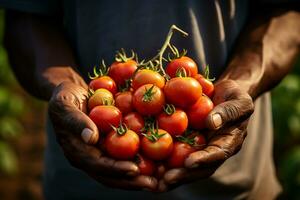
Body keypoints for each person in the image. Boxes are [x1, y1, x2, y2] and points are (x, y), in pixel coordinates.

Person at [1, 0, 300, 199]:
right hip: (82, 184)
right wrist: (63, 84)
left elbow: (286, 12)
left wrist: (244, 82)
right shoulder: (137, 97)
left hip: (237, 188)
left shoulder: (145, 95)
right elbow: (26, 14)